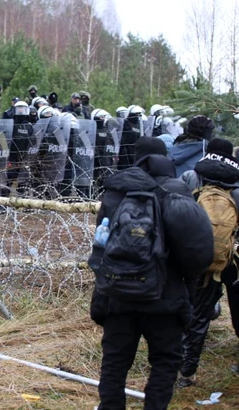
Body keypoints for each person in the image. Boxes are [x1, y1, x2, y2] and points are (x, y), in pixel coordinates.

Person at [88, 136, 214, 410]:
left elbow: (102, 245)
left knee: (114, 364)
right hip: (164, 296)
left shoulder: (116, 192)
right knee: (165, 363)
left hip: (118, 295)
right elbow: (192, 251)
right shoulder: (177, 191)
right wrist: (187, 291)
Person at [178, 138, 239, 387]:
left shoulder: (192, 175)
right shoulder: (236, 182)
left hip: (201, 258)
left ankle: (186, 372)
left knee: (197, 316)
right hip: (233, 259)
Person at [6, 101, 33, 196]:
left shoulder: (29, 126)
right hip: (11, 157)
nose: (21, 111)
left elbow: (32, 142)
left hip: (24, 158)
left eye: (23, 108)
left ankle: (22, 203)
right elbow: (3, 138)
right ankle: (3, 202)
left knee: (23, 182)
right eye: (19, 108)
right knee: (8, 180)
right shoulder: (10, 124)